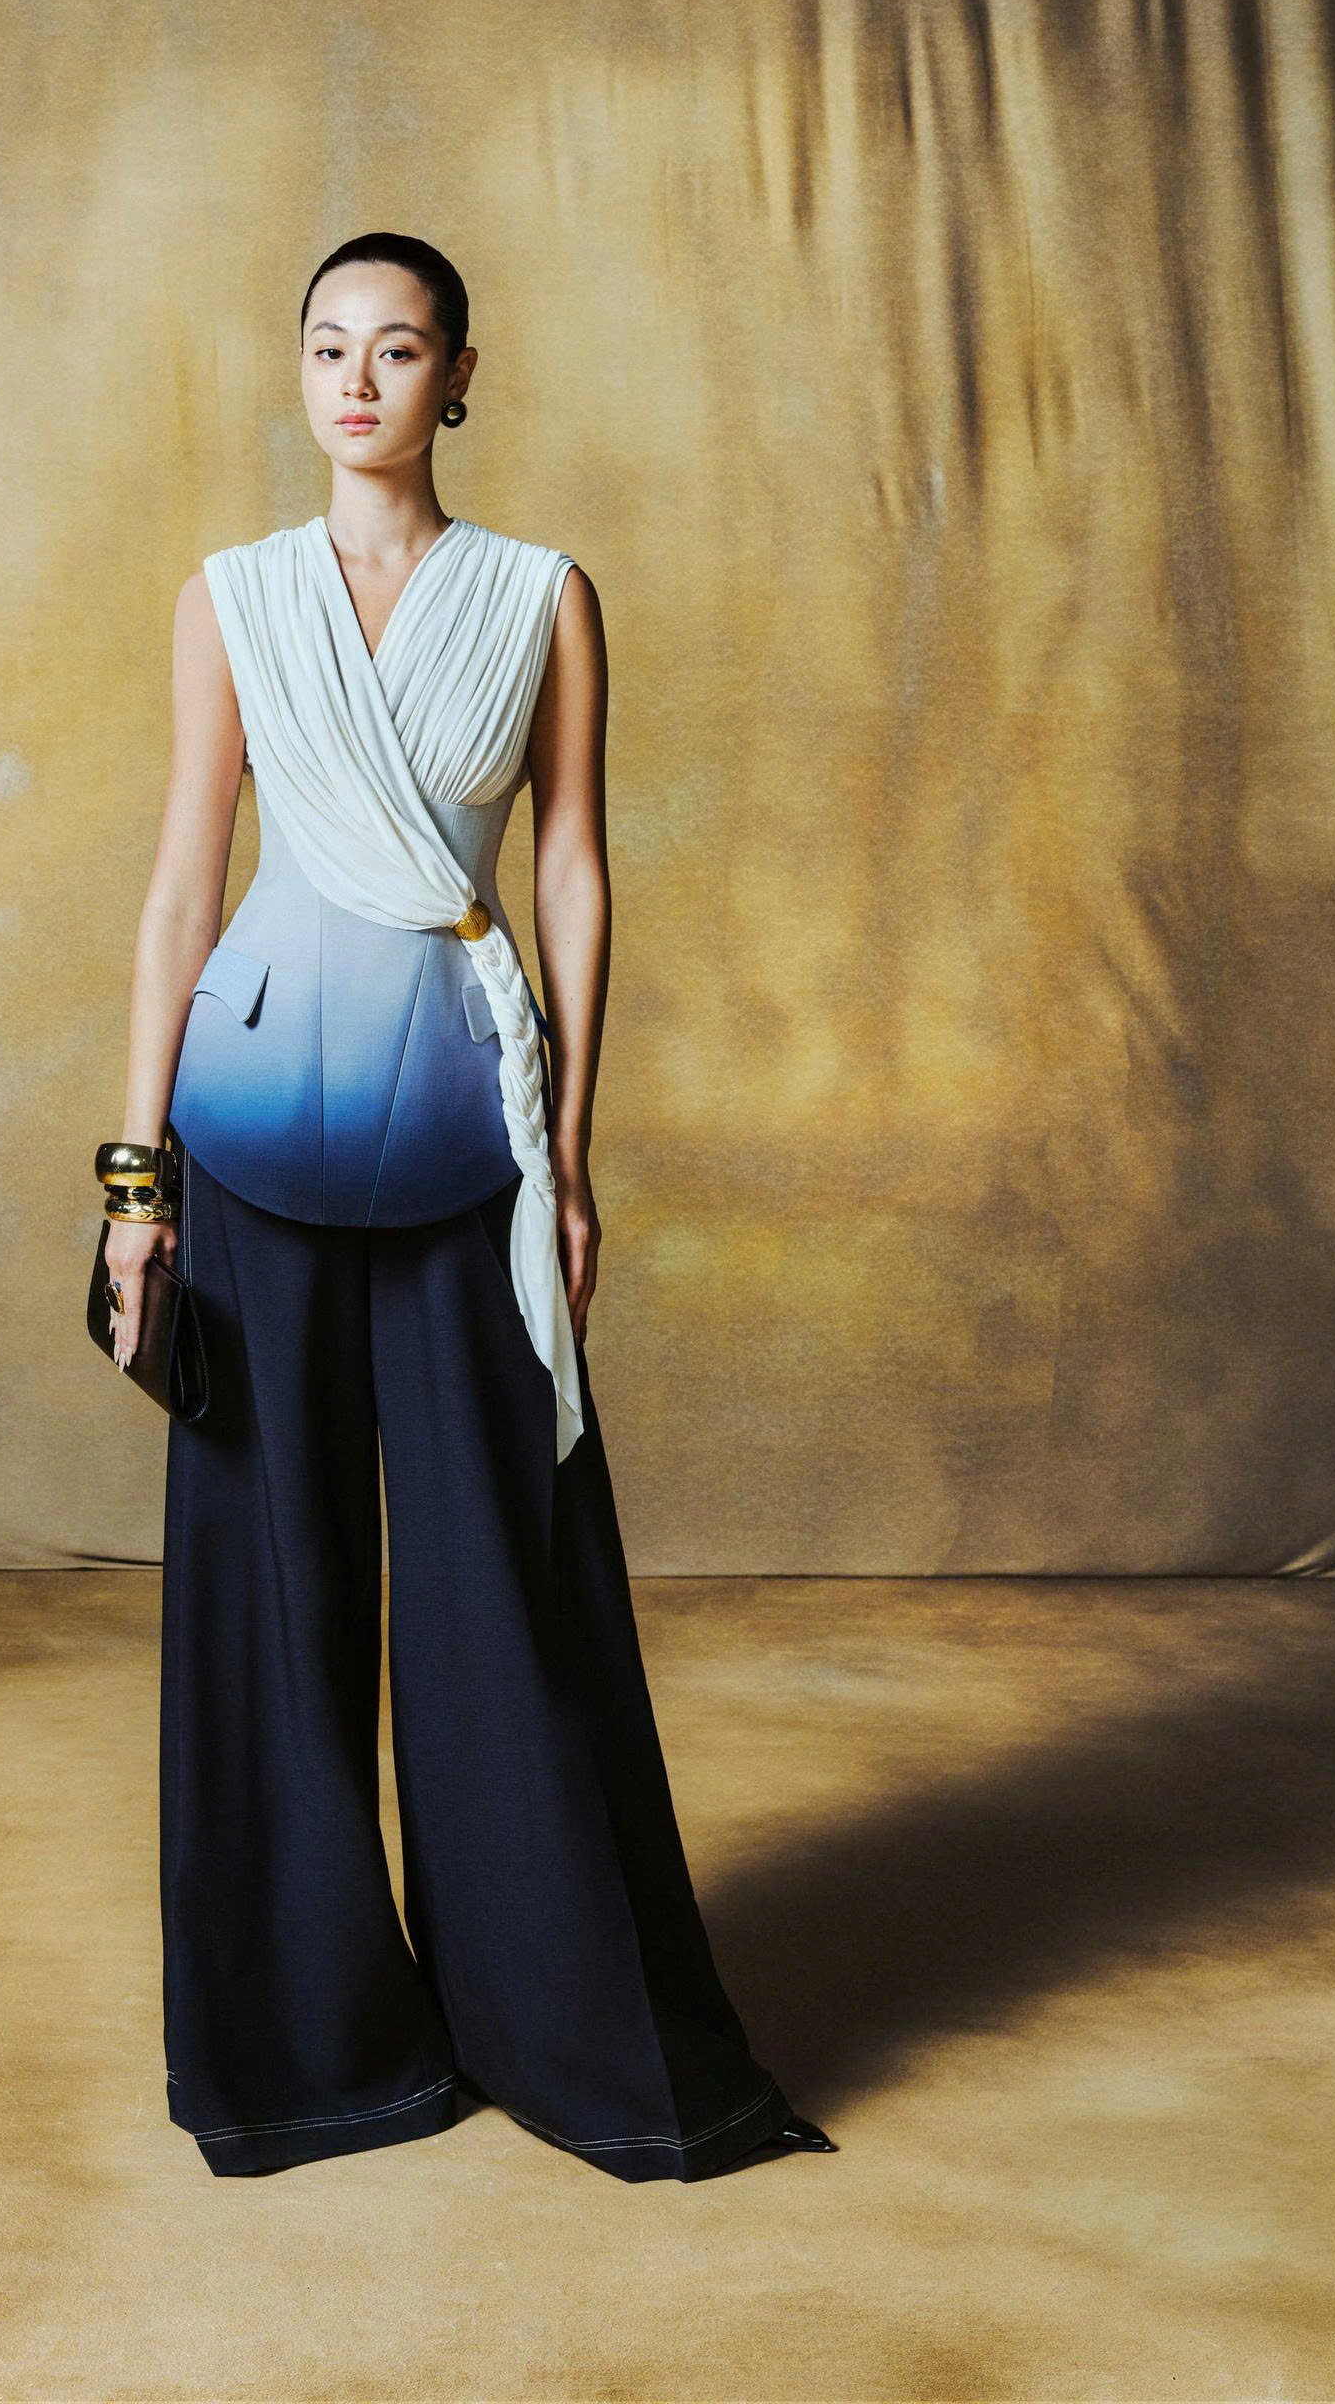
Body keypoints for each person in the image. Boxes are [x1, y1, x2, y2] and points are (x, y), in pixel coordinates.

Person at [98, 231, 838, 2184]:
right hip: (246, 1133)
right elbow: (182, 885)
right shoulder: (231, 597)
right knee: (273, 1585)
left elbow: (573, 866)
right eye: (327, 347)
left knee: (504, 1579)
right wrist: (132, 1180)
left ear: (461, 377)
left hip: (469, 1133)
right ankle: (309, 2051)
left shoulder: (543, 595)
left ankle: (557, 2019)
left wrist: (570, 1153)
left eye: (398, 348)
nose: (357, 380)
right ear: (300, 373)